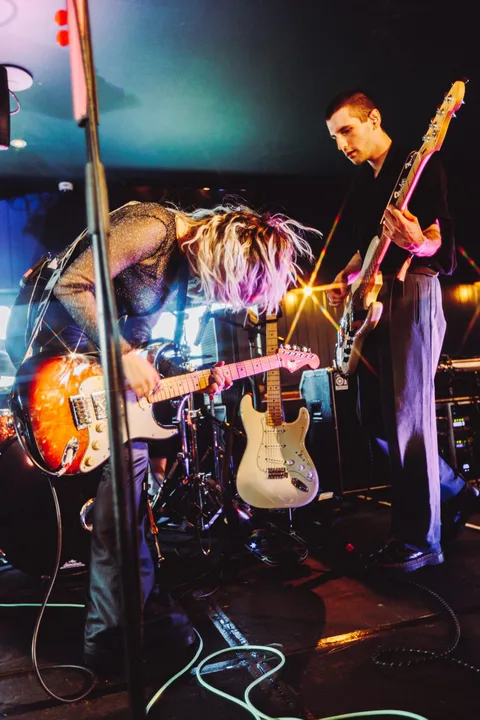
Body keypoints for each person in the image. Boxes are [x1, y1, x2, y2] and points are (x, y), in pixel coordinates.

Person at [7, 200, 315, 671]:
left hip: (93, 374)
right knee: (122, 507)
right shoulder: (154, 228)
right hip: (55, 363)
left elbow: (142, 344)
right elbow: (72, 283)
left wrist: (191, 376)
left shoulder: (179, 269)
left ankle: (128, 623)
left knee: (126, 507)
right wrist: (122, 353)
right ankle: (116, 637)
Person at [324, 89, 474, 573]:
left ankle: (421, 541)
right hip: (373, 303)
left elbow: (439, 242)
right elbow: (366, 248)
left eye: (347, 130)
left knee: (410, 422)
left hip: (412, 293)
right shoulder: (361, 184)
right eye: (334, 137)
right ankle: (453, 490)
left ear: (374, 118)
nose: (342, 144)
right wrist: (345, 279)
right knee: (372, 417)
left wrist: (418, 242)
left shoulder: (421, 165)